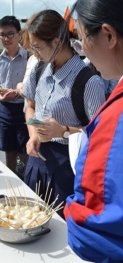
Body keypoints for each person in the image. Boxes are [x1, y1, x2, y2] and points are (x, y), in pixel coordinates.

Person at [21, 10, 106, 219]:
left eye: (38, 47)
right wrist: (33, 133)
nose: (35, 53)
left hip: (67, 165)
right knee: (29, 217)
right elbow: (30, 106)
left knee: (60, 226)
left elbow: (101, 134)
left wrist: (64, 131)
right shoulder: (39, 70)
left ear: (57, 42)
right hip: (36, 157)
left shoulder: (88, 82)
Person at [64, 1, 123, 262]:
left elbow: (94, 229)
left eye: (81, 37)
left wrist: (69, 210)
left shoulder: (116, 114)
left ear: (108, 36)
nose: (83, 49)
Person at [0, 15, 29, 174]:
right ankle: (11, 179)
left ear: (19, 34)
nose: (6, 38)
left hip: (25, 110)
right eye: (2, 35)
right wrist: (1, 97)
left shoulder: (30, 58)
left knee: (24, 152)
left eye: (10, 34)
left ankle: (25, 181)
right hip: (4, 111)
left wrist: (18, 92)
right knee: (9, 151)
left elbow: (35, 86)